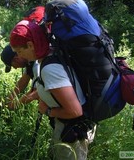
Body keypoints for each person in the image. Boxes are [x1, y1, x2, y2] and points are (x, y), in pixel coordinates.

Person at [9, 20, 96, 160]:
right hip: (70, 127)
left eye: (20, 51)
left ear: (30, 45)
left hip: (73, 130)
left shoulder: (50, 69)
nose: (20, 56)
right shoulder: (49, 53)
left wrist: (48, 111)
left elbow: (75, 111)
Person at [1, 44, 39, 109]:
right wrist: (9, 98)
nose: (15, 68)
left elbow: (37, 92)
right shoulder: (30, 61)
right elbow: (23, 81)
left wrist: (16, 104)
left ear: (16, 59)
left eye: (13, 65)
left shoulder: (37, 64)